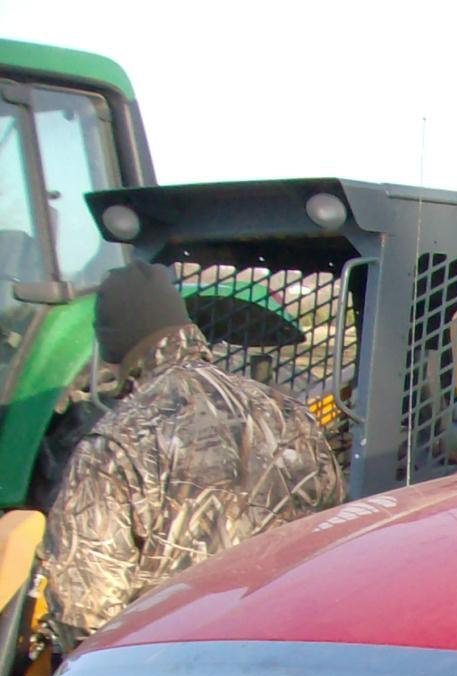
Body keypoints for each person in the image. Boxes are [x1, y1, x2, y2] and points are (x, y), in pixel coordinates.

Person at [42, 261, 344, 650]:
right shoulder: (289, 416)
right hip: (280, 659)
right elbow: (329, 541)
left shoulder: (115, 444)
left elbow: (84, 610)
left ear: (112, 347)